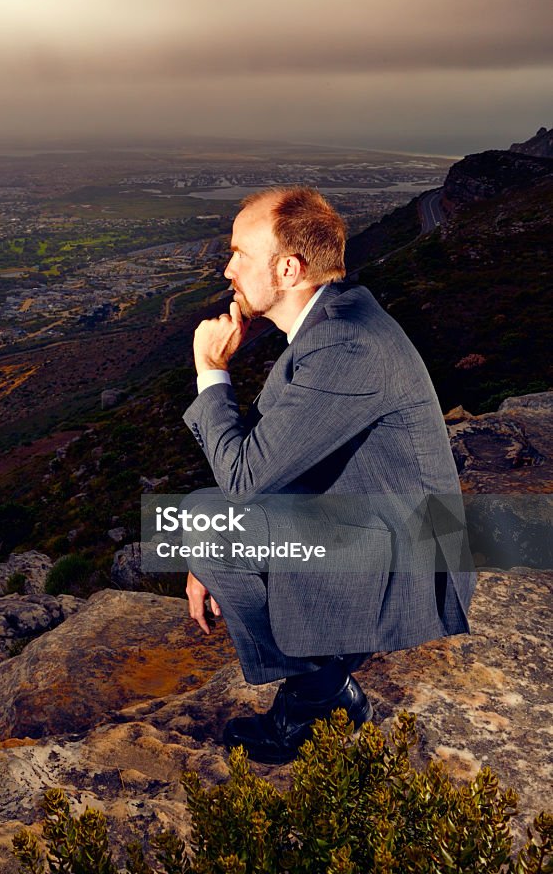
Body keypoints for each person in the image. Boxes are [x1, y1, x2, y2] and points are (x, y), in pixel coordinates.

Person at [181, 185, 476, 764]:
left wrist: (210, 371)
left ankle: (319, 696)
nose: (227, 267)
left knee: (204, 517)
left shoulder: (345, 345)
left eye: (240, 252)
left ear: (288, 269)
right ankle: (322, 677)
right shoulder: (335, 323)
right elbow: (273, 466)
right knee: (203, 519)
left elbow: (244, 477)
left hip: (410, 558)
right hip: (382, 527)